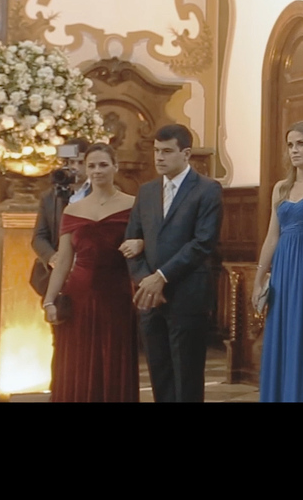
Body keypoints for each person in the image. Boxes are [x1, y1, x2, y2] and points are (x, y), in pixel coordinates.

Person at [121, 124, 224, 402]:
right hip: (149, 296)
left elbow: (203, 243)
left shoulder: (207, 190)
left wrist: (162, 277)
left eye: (167, 151)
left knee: (187, 376)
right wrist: (145, 281)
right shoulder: (146, 191)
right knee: (159, 373)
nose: (159, 157)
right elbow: (132, 241)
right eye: (156, 151)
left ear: (186, 153)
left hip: (187, 295)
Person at [42, 144, 138, 401]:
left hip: (117, 295)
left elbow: (149, 243)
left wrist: (142, 244)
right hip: (78, 297)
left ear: (115, 167)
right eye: (92, 165)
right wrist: (49, 300)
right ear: (85, 169)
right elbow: (63, 261)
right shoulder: (72, 210)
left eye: (103, 164)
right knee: (76, 363)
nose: (97, 171)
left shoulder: (133, 205)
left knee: (113, 360)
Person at [254, 121, 303, 402]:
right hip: (283, 267)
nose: (294, 150)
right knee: (282, 333)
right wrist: (260, 277)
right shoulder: (281, 187)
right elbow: (272, 236)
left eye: (301, 144)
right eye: (291, 144)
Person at [31, 138, 90, 299]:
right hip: (56, 275)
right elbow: (39, 237)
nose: (75, 168)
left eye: (80, 162)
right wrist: (53, 257)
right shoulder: (50, 197)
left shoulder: (100, 192)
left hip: (89, 272)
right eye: (71, 163)